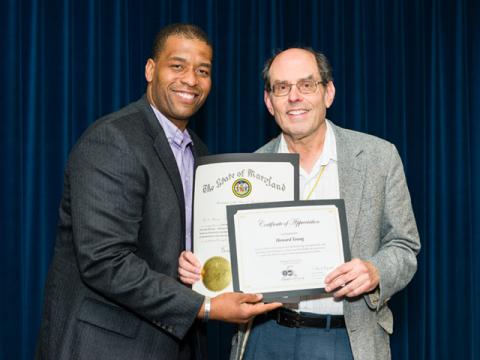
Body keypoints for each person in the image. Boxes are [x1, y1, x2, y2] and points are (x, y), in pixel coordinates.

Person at [35, 23, 280, 360]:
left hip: (175, 343)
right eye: (177, 66)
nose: (191, 80)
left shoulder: (200, 152)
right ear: (151, 70)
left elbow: (179, 247)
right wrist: (207, 306)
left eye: (203, 70)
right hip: (108, 346)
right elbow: (105, 261)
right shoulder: (113, 139)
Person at [178, 47, 421, 359]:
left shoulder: (378, 157)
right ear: (269, 101)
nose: (294, 97)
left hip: (345, 338)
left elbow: (404, 245)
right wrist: (200, 268)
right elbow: (226, 257)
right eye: (282, 87)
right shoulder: (244, 172)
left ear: (328, 93)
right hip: (263, 338)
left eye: (307, 85)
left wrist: (376, 271)